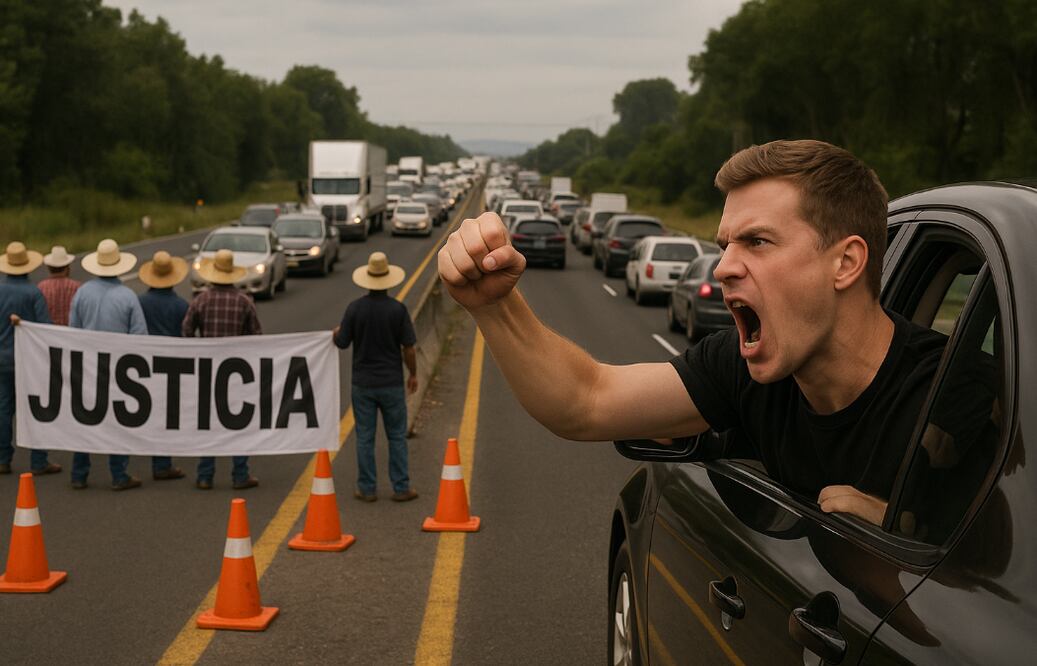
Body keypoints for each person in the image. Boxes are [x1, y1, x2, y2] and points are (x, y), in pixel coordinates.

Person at [437, 139, 947, 526]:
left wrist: (908, 531)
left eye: (757, 242)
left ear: (846, 263)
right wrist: (496, 306)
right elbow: (585, 400)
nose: (723, 267)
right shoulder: (743, 368)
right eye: (725, 244)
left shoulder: (957, 397)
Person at [333, 251, 419, 502]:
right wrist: (412, 373)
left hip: (363, 384)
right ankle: (401, 487)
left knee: (364, 438)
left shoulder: (355, 309)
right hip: (391, 382)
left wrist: (336, 332)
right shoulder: (398, 310)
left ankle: (367, 488)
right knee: (396, 436)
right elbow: (409, 348)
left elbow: (341, 342)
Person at [68, 238, 148, 490]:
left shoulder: (82, 292)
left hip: (88, 364)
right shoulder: (127, 296)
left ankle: (79, 473)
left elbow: (72, 331)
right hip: (118, 368)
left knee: (85, 419)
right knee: (117, 421)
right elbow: (139, 337)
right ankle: (118, 474)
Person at [181, 249, 261, 490]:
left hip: (207, 369)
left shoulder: (200, 300)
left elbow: (185, 330)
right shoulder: (244, 301)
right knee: (237, 423)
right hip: (236, 372)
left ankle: (205, 475)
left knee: (208, 423)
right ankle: (240, 474)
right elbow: (256, 336)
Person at [0, 242, 61, 476]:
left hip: (2, 357)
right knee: (36, 409)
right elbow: (43, 327)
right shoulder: (33, 292)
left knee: (4, 408)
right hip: (28, 360)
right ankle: (38, 460)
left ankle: (3, 458)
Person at [137, 250, 189, 482]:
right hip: (172, 363)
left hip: (144, 362)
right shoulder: (180, 305)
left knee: (146, 410)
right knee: (166, 414)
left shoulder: (140, 302)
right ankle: (162, 463)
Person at [37, 246, 80, 326]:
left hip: (49, 333)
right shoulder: (76, 287)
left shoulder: (41, 287)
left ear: (49, 268)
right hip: (71, 333)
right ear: (67, 267)